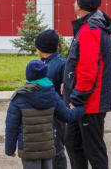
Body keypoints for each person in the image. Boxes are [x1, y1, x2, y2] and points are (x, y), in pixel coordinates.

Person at [62, 0, 111, 169]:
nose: (73, 4)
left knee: (93, 150)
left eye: (75, 1)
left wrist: (76, 98)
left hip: (89, 103)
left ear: (81, 6)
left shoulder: (91, 30)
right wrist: (67, 83)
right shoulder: (88, 27)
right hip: (83, 102)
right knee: (72, 142)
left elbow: (88, 70)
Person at [5, 60, 85, 169]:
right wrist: (81, 109)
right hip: (47, 148)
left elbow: (11, 127)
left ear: (28, 76)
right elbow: (67, 116)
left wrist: (10, 149)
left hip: (29, 150)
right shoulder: (52, 95)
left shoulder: (19, 97)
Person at [35, 29, 67, 169]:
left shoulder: (60, 64)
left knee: (56, 147)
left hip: (55, 113)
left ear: (42, 48)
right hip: (42, 112)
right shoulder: (42, 63)